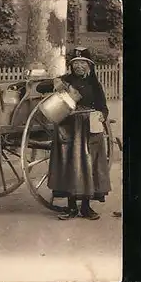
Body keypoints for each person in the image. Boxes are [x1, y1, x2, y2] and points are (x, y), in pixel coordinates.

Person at [48, 46, 112, 220]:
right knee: (69, 165)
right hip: (68, 128)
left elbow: (103, 108)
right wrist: (53, 82)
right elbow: (41, 88)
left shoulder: (94, 85)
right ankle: (71, 208)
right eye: (75, 63)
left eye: (82, 63)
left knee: (88, 166)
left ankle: (86, 207)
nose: (79, 66)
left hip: (90, 128)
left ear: (89, 66)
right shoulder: (65, 81)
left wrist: (101, 115)